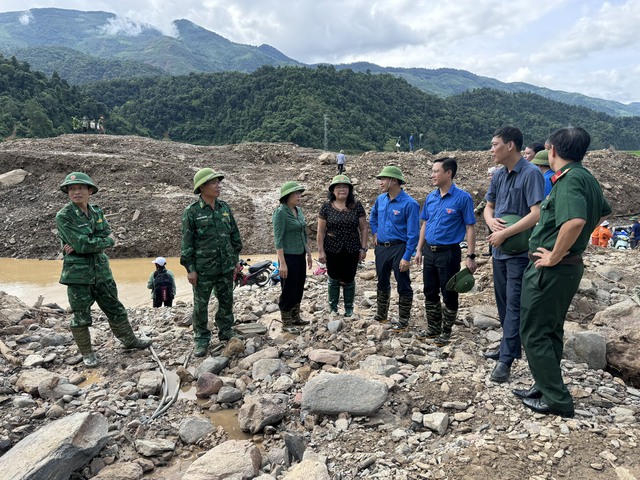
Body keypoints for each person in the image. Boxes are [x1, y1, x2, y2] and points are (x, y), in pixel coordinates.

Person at [518, 126, 611, 418]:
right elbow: (602, 211)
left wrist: (555, 255)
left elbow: (575, 221)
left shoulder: (570, 181)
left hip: (553, 270)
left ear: (553, 150)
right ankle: (545, 385)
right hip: (567, 268)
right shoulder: (586, 178)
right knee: (550, 330)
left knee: (533, 332)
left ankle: (556, 399)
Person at [56, 172, 152, 367]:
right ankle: (87, 353)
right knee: (81, 316)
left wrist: (92, 241)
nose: (76, 192)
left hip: (102, 271)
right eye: (72, 189)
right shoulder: (64, 216)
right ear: (67, 192)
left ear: (90, 191)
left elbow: (108, 237)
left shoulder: (97, 212)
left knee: (115, 308)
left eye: (81, 188)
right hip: (77, 275)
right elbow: (83, 244)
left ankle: (129, 340)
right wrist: (94, 242)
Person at [484, 126, 545, 383]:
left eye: (495, 144)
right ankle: (509, 346)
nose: (492, 149)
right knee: (503, 303)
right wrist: (491, 224)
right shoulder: (498, 175)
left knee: (515, 303)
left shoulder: (530, 174)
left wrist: (506, 234)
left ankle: (505, 361)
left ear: (510, 146)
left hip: (519, 252)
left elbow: (536, 213)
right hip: (499, 250)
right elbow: (488, 207)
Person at [181, 168, 243, 357]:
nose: (218, 186)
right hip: (203, 269)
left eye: (218, 182)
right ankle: (201, 338)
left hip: (225, 266)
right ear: (202, 187)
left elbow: (235, 236)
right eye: (213, 182)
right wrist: (190, 269)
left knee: (226, 300)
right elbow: (187, 243)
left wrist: (235, 260)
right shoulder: (192, 212)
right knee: (201, 305)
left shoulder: (225, 208)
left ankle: (225, 330)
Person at [415, 157, 477, 346]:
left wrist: (471, 256)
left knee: (449, 291)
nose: (432, 175)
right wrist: (418, 249)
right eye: (432, 171)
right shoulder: (431, 197)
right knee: (429, 290)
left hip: (449, 253)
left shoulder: (463, 198)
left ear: (448, 173)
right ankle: (434, 328)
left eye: (436, 171)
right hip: (429, 252)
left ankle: (446, 330)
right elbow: (425, 223)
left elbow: (470, 227)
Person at [369, 166, 420, 330]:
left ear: (394, 181)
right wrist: (375, 233)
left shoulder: (410, 204)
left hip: (400, 248)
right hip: (382, 248)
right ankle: (381, 314)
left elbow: (413, 233)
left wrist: (407, 256)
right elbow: (373, 217)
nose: (380, 182)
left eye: (383, 179)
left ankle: (404, 319)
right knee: (382, 280)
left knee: (403, 282)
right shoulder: (381, 200)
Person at [317, 174, 368, 318]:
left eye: (345, 186)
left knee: (349, 277)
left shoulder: (356, 206)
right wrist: (320, 251)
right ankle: (333, 308)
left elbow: (363, 228)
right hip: (332, 248)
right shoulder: (326, 207)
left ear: (349, 190)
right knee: (333, 277)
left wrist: (363, 248)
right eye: (338, 187)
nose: (342, 189)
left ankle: (349, 308)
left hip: (352, 248)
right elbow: (320, 231)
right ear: (332, 190)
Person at [273, 181, 314, 333]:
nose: (299, 196)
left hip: (300, 254)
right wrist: (282, 263)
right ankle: (286, 322)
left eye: (299, 193)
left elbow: (303, 233)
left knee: (298, 286)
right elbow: (278, 239)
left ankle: (296, 317)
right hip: (288, 256)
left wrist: (309, 254)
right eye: (296, 194)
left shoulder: (299, 210)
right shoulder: (280, 213)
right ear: (287, 196)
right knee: (288, 288)